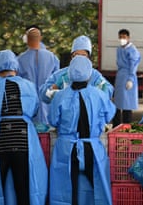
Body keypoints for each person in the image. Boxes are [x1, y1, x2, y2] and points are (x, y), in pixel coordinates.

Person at [0, 49, 48, 205]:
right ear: (15, 67)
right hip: (22, 140)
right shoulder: (28, 86)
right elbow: (35, 109)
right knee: (23, 187)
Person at [48, 55, 115, 205]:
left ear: (70, 73)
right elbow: (109, 114)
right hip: (92, 149)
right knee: (97, 187)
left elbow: (52, 120)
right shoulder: (99, 95)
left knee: (67, 190)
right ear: (89, 73)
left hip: (66, 149)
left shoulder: (60, 96)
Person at [39, 35, 114, 104]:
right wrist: (55, 87)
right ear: (72, 56)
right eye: (77, 55)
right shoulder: (61, 75)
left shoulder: (95, 75)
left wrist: (102, 90)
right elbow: (44, 96)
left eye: (83, 55)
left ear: (88, 58)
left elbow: (108, 91)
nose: (79, 58)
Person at [17, 26, 60, 125]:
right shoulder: (52, 58)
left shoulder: (20, 60)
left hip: (27, 105)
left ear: (27, 39)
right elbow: (57, 83)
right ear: (40, 38)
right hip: (47, 103)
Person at [112, 29, 141, 126]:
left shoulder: (132, 50)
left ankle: (126, 126)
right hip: (120, 76)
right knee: (117, 103)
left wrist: (130, 79)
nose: (122, 39)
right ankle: (116, 126)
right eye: (120, 37)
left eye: (124, 37)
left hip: (128, 76)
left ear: (128, 38)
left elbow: (133, 65)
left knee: (127, 104)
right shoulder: (119, 49)